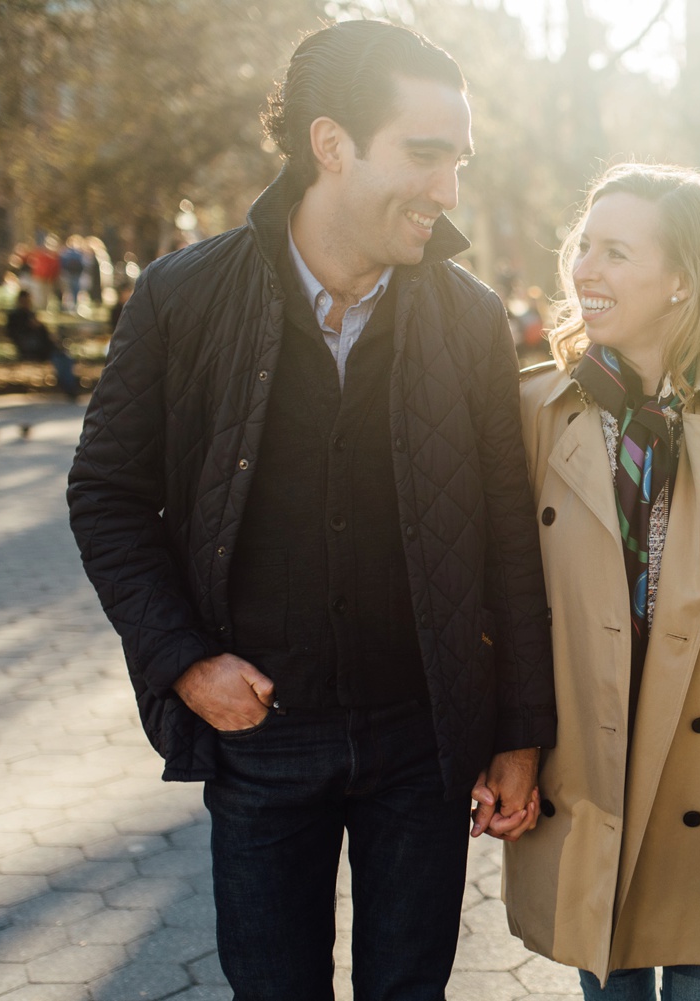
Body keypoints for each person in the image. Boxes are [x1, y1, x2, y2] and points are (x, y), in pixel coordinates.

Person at [65, 21, 555, 998]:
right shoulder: (181, 298)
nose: (448, 191)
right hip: (261, 744)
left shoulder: (468, 319)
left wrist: (519, 727)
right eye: (425, 155)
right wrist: (184, 660)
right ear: (331, 144)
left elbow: (509, 528)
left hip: (425, 745)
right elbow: (107, 495)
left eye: (458, 161)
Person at [504, 163, 700, 1001]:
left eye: (615, 251)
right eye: (584, 247)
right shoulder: (536, 409)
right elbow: (506, 602)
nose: (585, 269)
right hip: (583, 769)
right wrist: (507, 746)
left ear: (683, 278)